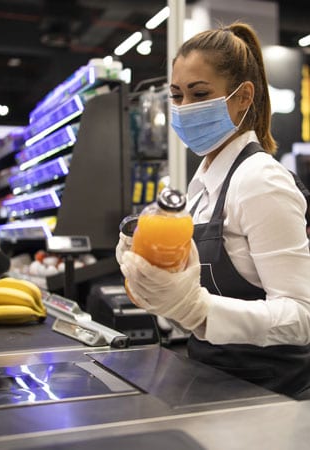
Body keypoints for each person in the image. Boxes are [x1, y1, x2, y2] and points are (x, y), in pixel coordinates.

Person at [117, 22, 310, 399]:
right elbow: (190, 294)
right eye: (176, 96)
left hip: (273, 394)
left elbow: (302, 317)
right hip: (212, 379)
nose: (184, 108)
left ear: (242, 97)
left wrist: (198, 310)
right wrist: (153, 274)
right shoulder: (202, 183)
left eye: (199, 93)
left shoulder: (260, 181)